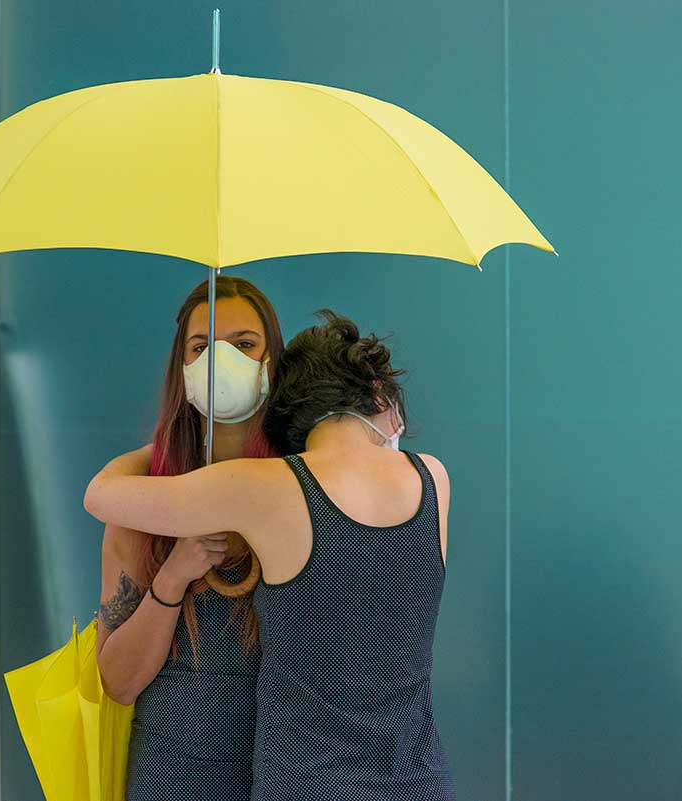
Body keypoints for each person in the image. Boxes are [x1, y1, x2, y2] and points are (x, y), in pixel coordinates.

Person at [85, 310, 456, 801]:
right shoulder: (434, 478)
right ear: (378, 392)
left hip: (305, 783)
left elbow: (101, 495)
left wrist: (162, 444)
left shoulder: (269, 488)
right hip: (419, 782)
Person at [93, 275, 284, 801]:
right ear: (183, 367)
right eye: (203, 347)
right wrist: (174, 574)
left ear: (273, 361)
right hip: (172, 778)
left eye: (244, 345)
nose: (223, 362)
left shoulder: (305, 489)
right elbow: (119, 681)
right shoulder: (140, 502)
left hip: (293, 774)